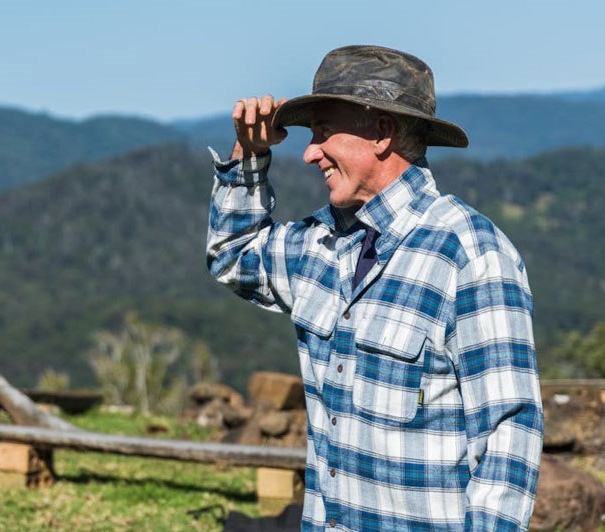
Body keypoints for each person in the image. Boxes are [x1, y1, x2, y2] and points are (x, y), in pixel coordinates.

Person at [207, 45, 543, 530]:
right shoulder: (317, 245)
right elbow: (233, 255)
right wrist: (249, 155)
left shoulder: (471, 253)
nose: (307, 153)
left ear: (381, 133)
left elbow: (508, 433)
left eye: (323, 132)